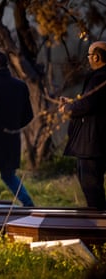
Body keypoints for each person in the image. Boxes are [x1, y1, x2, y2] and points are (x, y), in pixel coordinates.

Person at [0, 51, 35, 206]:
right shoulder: (20, 86)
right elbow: (29, 115)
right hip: (11, 139)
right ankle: (28, 204)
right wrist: (13, 127)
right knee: (9, 176)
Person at [59, 41, 106, 211]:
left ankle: (99, 230)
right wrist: (73, 102)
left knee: (92, 190)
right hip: (96, 142)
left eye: (89, 55)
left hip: (92, 145)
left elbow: (88, 105)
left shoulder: (100, 77)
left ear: (97, 56)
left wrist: (68, 108)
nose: (88, 58)